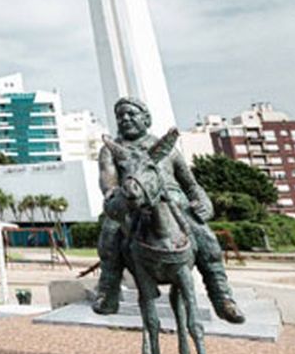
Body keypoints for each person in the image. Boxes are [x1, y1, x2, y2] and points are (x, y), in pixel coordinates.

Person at [93, 97, 244, 323]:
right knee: (110, 234)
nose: (125, 119)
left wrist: (203, 202)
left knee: (206, 238)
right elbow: (109, 181)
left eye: (131, 114)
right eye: (120, 116)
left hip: (174, 203)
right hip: (132, 202)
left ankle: (222, 296)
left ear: (146, 119)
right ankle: (108, 290)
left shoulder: (167, 149)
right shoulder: (112, 150)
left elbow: (191, 184)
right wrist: (115, 196)